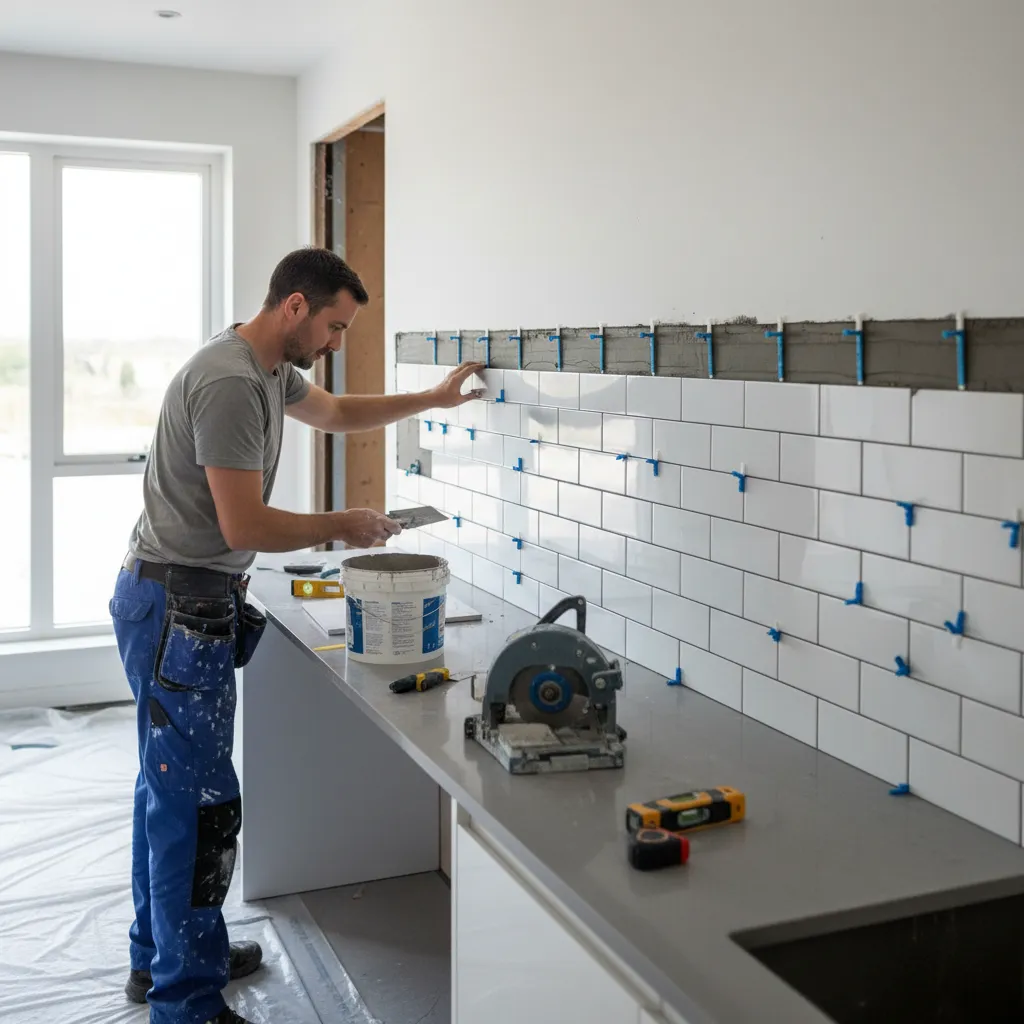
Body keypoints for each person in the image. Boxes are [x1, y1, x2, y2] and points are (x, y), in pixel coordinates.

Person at [109, 247, 484, 1024]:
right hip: (177, 606)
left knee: (170, 790)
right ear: (295, 308)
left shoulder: (269, 371)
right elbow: (243, 524)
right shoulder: (230, 384)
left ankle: (168, 958)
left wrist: (434, 398)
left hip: (180, 598)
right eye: (335, 326)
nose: (338, 342)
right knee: (197, 806)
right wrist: (341, 526)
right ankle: (186, 1001)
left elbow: (339, 415)